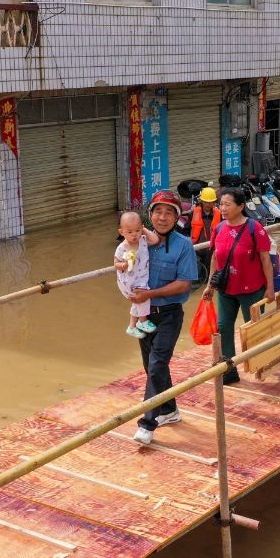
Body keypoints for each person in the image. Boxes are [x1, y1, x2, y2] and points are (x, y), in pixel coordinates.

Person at [121, 190, 197, 446]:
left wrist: (150, 293)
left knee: (156, 364)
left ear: (177, 218)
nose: (162, 218)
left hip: (169, 314)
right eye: (157, 212)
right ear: (149, 216)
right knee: (152, 367)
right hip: (143, 314)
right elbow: (123, 267)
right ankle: (169, 410)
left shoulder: (183, 245)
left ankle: (147, 423)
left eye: (169, 213)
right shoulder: (137, 240)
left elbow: (184, 284)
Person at [202, 187, 274, 384]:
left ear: (241, 206)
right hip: (226, 288)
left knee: (253, 328)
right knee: (224, 326)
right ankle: (229, 370)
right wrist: (209, 285)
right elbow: (215, 258)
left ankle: (261, 363)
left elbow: (265, 259)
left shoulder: (255, 228)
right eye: (221, 204)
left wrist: (270, 288)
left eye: (227, 204)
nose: (222, 208)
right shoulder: (218, 228)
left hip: (251, 288)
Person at [114, 211, 163, 338]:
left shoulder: (143, 240)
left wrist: (144, 230)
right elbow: (116, 263)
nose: (134, 235)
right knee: (143, 297)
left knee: (138, 301)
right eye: (129, 232)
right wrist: (124, 265)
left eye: (137, 230)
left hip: (141, 278)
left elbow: (156, 239)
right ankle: (142, 321)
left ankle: (131, 326)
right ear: (121, 232)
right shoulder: (122, 248)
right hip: (128, 281)